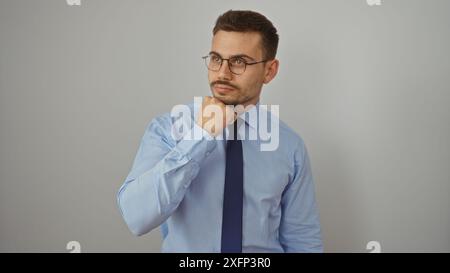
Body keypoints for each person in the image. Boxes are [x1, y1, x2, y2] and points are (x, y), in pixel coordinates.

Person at [117, 9, 323, 253]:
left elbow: (302, 241)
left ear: (269, 71)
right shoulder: (168, 129)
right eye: (216, 58)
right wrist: (200, 136)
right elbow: (137, 217)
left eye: (239, 62)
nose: (222, 73)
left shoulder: (289, 146)